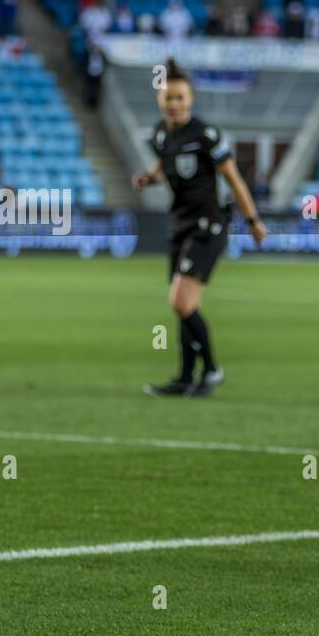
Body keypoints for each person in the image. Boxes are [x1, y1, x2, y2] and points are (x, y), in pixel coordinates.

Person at [133, 60, 268, 399]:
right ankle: (184, 376)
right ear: (159, 100)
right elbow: (164, 163)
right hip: (179, 224)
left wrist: (252, 220)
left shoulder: (206, 136)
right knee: (183, 305)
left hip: (207, 225)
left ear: (190, 99)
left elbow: (233, 179)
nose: (174, 104)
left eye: (180, 97)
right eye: (168, 98)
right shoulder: (160, 133)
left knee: (181, 301)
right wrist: (150, 178)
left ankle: (211, 368)